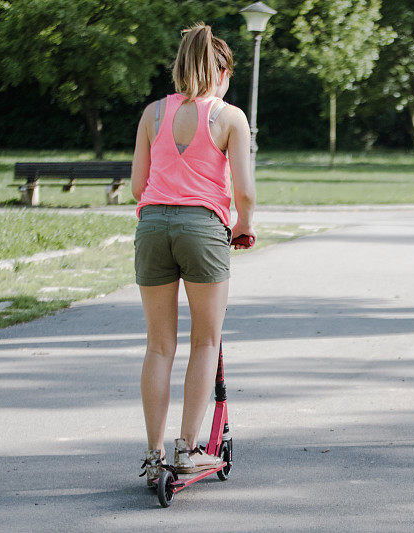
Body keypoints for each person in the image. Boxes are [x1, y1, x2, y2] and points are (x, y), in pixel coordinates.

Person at [131, 24, 255, 486]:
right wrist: (242, 227)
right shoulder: (230, 117)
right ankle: (187, 449)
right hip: (203, 228)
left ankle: (152, 454)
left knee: (159, 345)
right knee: (205, 341)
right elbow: (245, 192)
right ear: (220, 72)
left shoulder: (152, 114)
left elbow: (137, 187)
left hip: (152, 227)